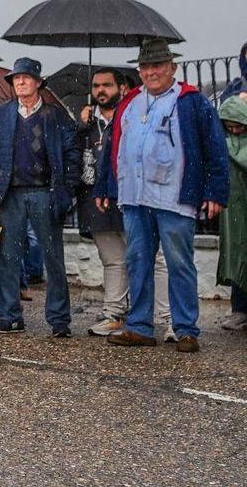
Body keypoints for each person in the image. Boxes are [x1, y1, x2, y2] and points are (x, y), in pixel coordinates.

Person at [98, 40, 231, 353]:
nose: (151, 71)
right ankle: (140, 326)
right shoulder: (130, 101)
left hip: (174, 197)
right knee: (138, 261)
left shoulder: (192, 102)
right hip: (135, 195)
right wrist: (105, 186)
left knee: (179, 263)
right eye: (145, 66)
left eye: (158, 65)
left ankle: (186, 329)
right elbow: (113, 148)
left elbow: (215, 149)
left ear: (173, 67)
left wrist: (215, 191)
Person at [0, 58, 78, 337]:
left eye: (26, 78)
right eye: (15, 78)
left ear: (38, 82)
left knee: (53, 257)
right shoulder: (3, 113)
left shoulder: (55, 116)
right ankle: (9, 316)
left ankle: (59, 320)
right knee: (8, 256)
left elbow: (71, 153)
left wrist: (67, 187)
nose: (19, 82)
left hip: (45, 192)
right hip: (11, 194)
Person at [79, 68, 133, 336]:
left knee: (145, 258)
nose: (101, 90)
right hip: (95, 200)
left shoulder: (130, 116)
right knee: (112, 259)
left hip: (128, 196)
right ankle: (113, 312)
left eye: (107, 85)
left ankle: (159, 316)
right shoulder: (89, 123)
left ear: (121, 88)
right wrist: (82, 124)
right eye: (97, 86)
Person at [217, 95, 247, 330]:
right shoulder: (222, 143)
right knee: (237, 256)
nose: (235, 131)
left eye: (239, 126)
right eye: (230, 126)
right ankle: (240, 309)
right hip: (234, 210)